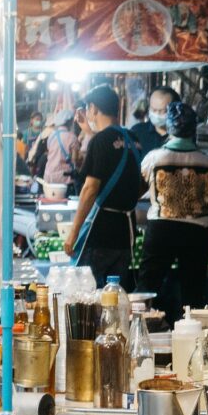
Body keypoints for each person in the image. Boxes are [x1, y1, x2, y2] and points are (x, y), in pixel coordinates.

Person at [137, 102, 208, 321]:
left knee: (148, 285)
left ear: (169, 128)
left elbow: (137, 191)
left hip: (161, 228)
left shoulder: (154, 158)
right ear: (193, 129)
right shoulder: (207, 161)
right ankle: (192, 332)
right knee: (193, 290)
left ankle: (142, 327)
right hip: (198, 232)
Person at [63, 85, 142, 287]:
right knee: (114, 294)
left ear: (93, 108)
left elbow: (90, 189)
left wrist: (73, 233)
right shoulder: (133, 140)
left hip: (100, 234)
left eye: (88, 109)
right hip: (125, 234)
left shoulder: (100, 141)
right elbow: (141, 184)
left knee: (87, 293)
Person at [130, 86, 178, 158]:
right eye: (153, 110)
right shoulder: (137, 132)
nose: (157, 115)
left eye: (162, 111)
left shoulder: (182, 136)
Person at [44, 110, 81, 191]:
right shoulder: (72, 137)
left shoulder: (51, 136)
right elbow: (75, 159)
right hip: (65, 178)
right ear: (69, 122)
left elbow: (49, 152)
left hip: (49, 175)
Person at [26, 114, 53, 179]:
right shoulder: (26, 133)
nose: (38, 121)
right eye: (37, 119)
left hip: (38, 158)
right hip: (31, 157)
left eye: (40, 120)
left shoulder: (43, 132)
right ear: (31, 120)